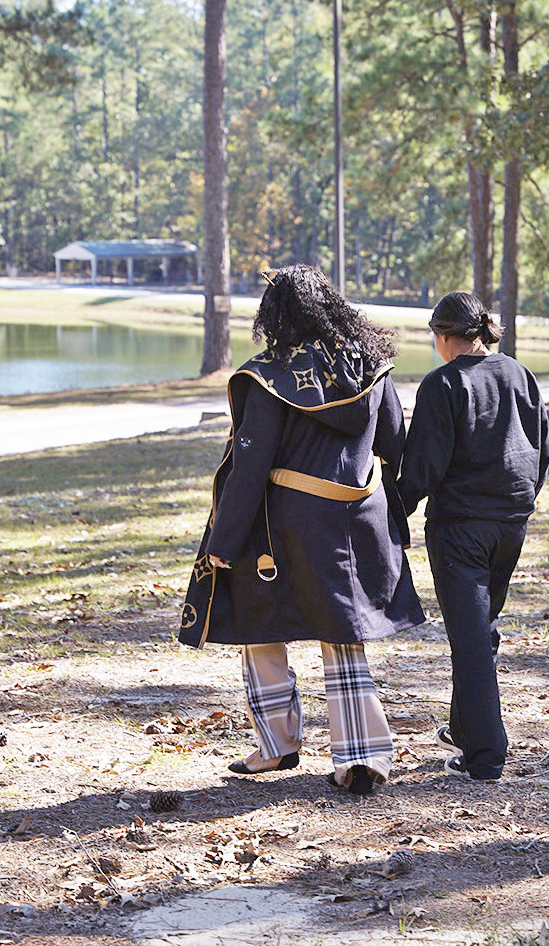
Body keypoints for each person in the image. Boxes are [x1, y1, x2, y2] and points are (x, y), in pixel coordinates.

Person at [178, 264, 424, 796]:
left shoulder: (266, 377)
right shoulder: (371, 367)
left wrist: (224, 542)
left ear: (275, 315)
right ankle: (362, 758)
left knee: (258, 622)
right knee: (343, 631)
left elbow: (249, 467)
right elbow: (393, 445)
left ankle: (275, 745)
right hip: (357, 518)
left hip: (281, 525)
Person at [398, 292, 549, 782]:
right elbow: (541, 451)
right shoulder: (519, 374)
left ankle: (485, 756)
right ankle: (465, 730)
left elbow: (421, 467)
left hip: (460, 528)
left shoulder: (443, 384)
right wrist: (520, 502)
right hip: (511, 523)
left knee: (469, 640)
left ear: (444, 337)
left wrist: (391, 514)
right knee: (479, 631)